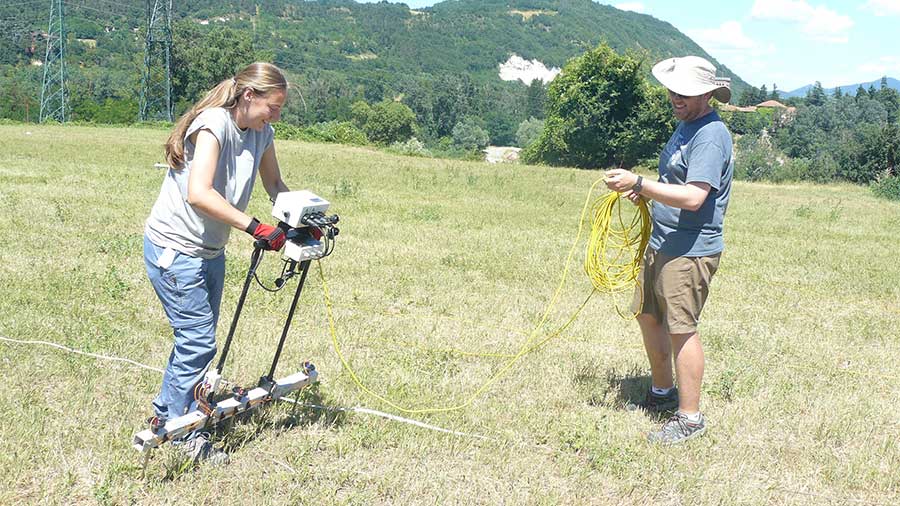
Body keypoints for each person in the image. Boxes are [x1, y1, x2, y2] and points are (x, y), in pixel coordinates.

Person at [143, 62, 292, 463]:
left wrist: (299, 217)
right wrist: (256, 228)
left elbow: (275, 185)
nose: (276, 116)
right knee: (198, 342)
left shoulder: (263, 133)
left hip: (210, 252)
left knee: (196, 342)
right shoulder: (213, 125)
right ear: (249, 96)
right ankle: (180, 434)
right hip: (175, 250)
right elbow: (199, 193)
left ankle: (166, 413)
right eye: (272, 108)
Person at [605, 56, 733, 445]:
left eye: (687, 92)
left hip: (688, 250)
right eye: (673, 90)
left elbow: (695, 197)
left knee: (682, 329)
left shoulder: (710, 135)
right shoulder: (685, 125)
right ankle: (662, 394)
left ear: (708, 94)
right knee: (648, 316)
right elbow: (673, 182)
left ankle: (690, 419)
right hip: (661, 240)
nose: (676, 97)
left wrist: (641, 183)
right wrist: (645, 194)